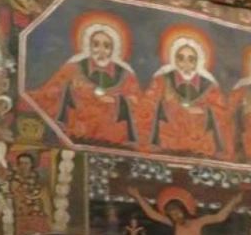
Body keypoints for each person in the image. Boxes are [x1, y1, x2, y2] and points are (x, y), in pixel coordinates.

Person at [29, 12, 140, 146]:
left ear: (114, 49)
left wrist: (116, 100)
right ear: (88, 46)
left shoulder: (126, 75)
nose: (101, 50)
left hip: (112, 133)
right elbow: (51, 92)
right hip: (77, 129)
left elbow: (137, 103)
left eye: (107, 46)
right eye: (96, 44)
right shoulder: (73, 68)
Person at [138, 26, 228, 157]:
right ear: (174, 60)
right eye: (181, 58)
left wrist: (203, 111)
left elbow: (220, 114)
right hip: (168, 138)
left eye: (191, 59)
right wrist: (170, 107)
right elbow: (147, 106)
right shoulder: (162, 80)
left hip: (200, 142)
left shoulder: (209, 86)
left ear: (198, 62)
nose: (186, 64)